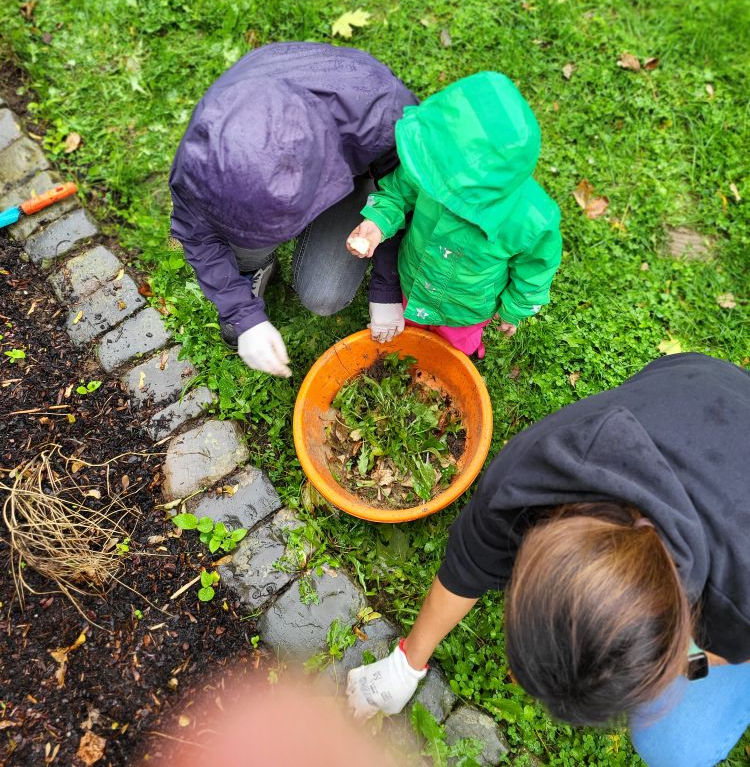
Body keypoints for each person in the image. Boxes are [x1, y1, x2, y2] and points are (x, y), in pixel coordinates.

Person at [347, 353, 750, 767]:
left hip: (714, 443)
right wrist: (406, 664)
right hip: (702, 386)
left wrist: (691, 662)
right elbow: (468, 563)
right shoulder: (531, 475)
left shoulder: (740, 598)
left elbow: (716, 652)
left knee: (674, 749)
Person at [169, 42, 417, 377]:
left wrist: (387, 283)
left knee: (324, 295)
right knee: (241, 248)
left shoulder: (382, 116)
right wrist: (243, 315)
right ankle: (253, 266)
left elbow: (402, 192)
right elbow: (196, 236)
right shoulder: (205, 157)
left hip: (354, 170)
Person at [346, 72, 561, 358]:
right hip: (415, 277)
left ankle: (454, 356)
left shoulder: (533, 219)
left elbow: (535, 270)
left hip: (468, 307)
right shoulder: (433, 166)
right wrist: (377, 223)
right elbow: (397, 193)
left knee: (452, 350)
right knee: (406, 332)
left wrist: (514, 309)